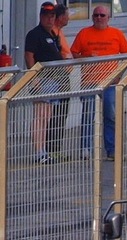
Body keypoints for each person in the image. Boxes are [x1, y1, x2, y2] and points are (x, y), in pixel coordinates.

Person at [70, 6, 127, 161]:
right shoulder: (84, 33)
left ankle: (111, 149)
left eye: (102, 15)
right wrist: (87, 57)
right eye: (96, 15)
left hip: (110, 83)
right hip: (89, 82)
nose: (98, 18)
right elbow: (74, 52)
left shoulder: (116, 34)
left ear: (108, 18)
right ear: (92, 17)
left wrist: (119, 75)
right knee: (87, 116)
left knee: (110, 116)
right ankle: (86, 150)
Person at [24, 2, 65, 164]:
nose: (49, 19)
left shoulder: (53, 34)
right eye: (47, 16)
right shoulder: (35, 34)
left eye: (52, 16)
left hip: (54, 80)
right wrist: (34, 79)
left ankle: (43, 151)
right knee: (40, 116)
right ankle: (39, 152)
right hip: (42, 80)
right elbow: (29, 56)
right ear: (41, 16)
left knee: (47, 117)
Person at [47, 3, 72, 159]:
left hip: (64, 76)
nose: (68, 18)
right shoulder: (52, 33)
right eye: (67, 15)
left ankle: (55, 148)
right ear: (60, 17)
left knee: (61, 113)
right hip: (57, 77)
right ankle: (51, 148)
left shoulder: (58, 32)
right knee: (55, 114)